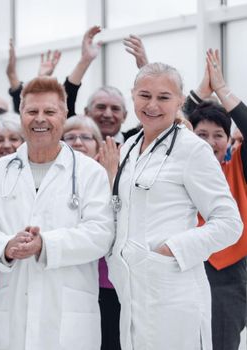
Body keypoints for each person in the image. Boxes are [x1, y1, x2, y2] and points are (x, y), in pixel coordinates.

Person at [107, 62, 242, 350]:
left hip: (173, 290)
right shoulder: (129, 149)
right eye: (145, 95)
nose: (152, 105)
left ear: (180, 101)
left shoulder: (193, 149)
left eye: (164, 97)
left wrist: (172, 250)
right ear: (133, 96)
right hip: (132, 291)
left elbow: (230, 223)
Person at [0, 76, 114, 349]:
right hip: (13, 309)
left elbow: (101, 234)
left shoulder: (89, 172)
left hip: (69, 316)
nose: (40, 119)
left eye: (49, 112)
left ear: (64, 114)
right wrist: (6, 247)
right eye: (32, 112)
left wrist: (44, 245)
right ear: (21, 115)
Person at [185, 49, 247, 350]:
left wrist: (222, 90)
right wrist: (198, 93)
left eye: (218, 135)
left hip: (227, 274)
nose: (210, 143)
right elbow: (163, 124)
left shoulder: (237, 167)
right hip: (181, 266)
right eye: (201, 134)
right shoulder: (175, 169)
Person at [62, 115, 121, 350]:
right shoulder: (52, 179)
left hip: (108, 284)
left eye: (86, 137)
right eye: (70, 137)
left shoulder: (117, 176)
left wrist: (110, 176)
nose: (77, 142)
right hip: (69, 279)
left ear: (99, 145)